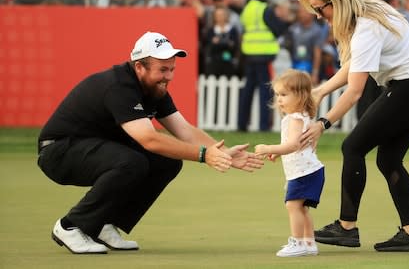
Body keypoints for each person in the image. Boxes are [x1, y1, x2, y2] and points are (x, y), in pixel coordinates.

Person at [37, 31, 263, 254]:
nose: (169, 76)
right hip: (59, 151)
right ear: (139, 67)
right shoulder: (119, 86)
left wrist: (223, 153)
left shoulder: (156, 89)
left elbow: (184, 130)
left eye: (172, 69)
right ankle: (70, 225)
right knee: (131, 161)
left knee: (167, 161)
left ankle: (104, 223)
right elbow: (149, 139)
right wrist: (204, 155)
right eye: (163, 70)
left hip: (93, 146)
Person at [298, 0, 409, 252]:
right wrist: (322, 90)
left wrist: (322, 123)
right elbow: (355, 65)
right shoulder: (373, 11)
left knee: (352, 147)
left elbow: (355, 90)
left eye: (318, 9)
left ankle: (346, 227)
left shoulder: (365, 26)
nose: (317, 16)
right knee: (388, 160)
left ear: (334, 1)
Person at [255, 69, 325, 257]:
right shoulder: (299, 117)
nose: (279, 99)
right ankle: (309, 243)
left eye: (284, 95)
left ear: (301, 96)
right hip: (310, 170)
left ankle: (298, 242)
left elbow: (293, 145)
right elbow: (292, 145)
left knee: (293, 206)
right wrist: (279, 153)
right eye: (277, 94)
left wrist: (269, 149)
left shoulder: (294, 119)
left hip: (303, 172)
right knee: (302, 208)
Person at [237, 0, 289, 131]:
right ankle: (263, 125)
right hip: (263, 55)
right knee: (264, 91)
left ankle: (241, 125)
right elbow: (278, 29)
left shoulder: (246, 9)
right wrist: (285, 19)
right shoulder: (264, 9)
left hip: (249, 54)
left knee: (247, 91)